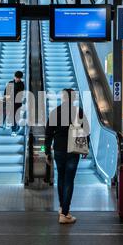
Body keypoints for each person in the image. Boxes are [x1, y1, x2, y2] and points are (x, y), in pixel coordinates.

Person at [45, 89, 90, 224]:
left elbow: (48, 133)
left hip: (58, 149)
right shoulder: (78, 111)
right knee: (69, 180)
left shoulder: (55, 112)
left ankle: (61, 208)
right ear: (74, 98)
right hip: (73, 150)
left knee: (61, 178)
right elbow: (86, 131)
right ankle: (65, 213)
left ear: (63, 98)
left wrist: (47, 151)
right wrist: (85, 149)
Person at [4, 70, 25, 135]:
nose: (17, 79)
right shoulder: (10, 83)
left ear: (20, 78)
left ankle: (14, 130)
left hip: (17, 104)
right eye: (16, 77)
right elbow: (6, 93)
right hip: (9, 102)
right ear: (14, 76)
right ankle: (4, 124)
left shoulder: (21, 85)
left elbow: (18, 95)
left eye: (18, 78)